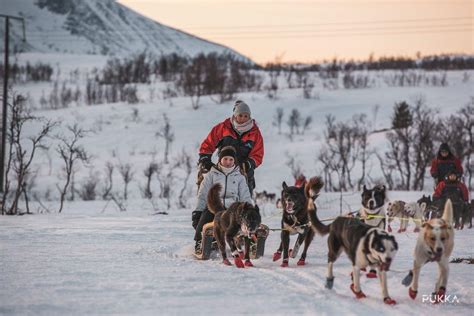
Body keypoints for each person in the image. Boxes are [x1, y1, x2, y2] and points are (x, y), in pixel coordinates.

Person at [193, 146, 253, 255]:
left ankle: (249, 241)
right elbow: (202, 195)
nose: (228, 162)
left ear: (234, 161)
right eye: (225, 159)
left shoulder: (239, 177)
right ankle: (200, 241)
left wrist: (250, 211)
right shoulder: (211, 175)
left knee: (243, 222)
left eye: (231, 159)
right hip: (214, 206)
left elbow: (245, 196)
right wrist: (198, 211)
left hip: (232, 208)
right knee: (204, 220)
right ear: (220, 160)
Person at [198, 100, 264, 195]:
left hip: (244, 174)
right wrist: (205, 159)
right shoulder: (223, 128)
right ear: (235, 115)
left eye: (246, 116)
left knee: (244, 206)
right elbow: (208, 144)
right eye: (240, 115)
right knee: (219, 202)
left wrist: (249, 164)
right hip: (223, 171)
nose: (243, 118)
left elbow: (258, 154)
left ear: (249, 117)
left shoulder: (255, 133)